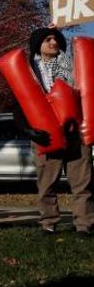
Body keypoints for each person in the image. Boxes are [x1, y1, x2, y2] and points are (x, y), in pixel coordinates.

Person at [17, 26, 94, 235]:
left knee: (82, 183)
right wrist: (28, 130)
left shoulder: (75, 67)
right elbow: (19, 105)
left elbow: (86, 93)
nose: (54, 42)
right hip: (47, 135)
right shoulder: (29, 72)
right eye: (47, 39)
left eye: (56, 39)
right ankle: (48, 224)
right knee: (46, 184)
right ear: (37, 46)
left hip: (75, 132)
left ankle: (84, 225)